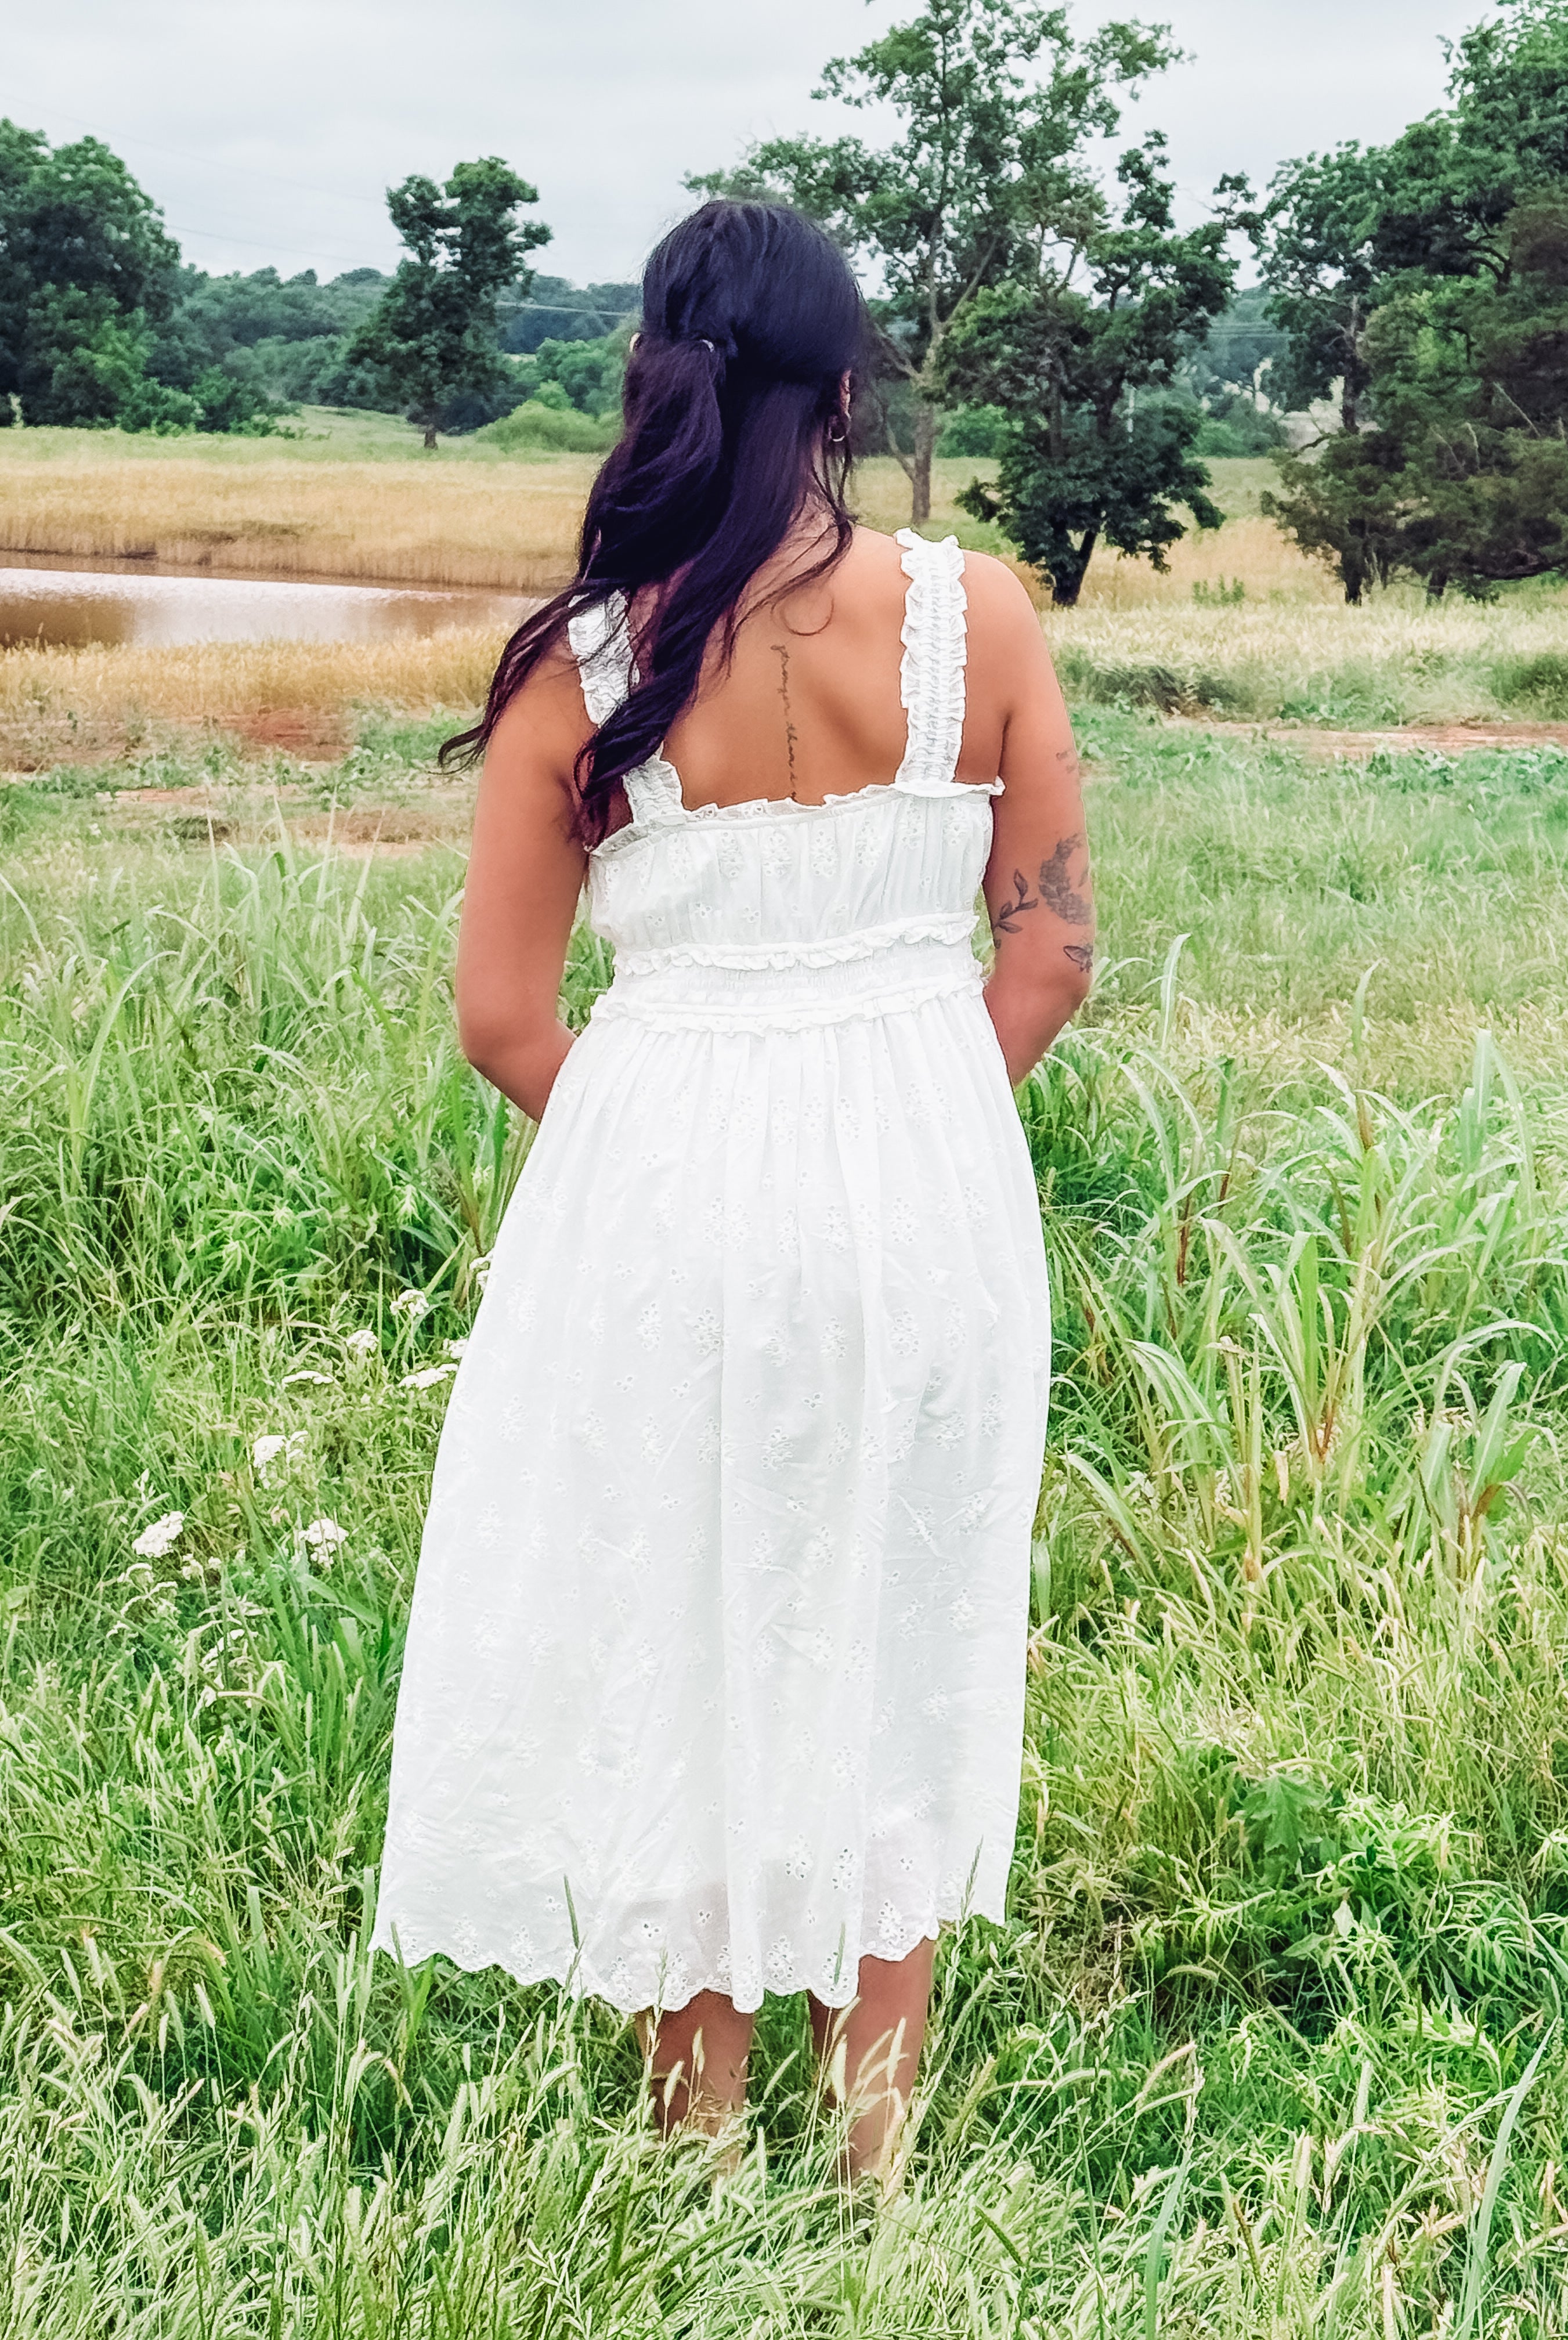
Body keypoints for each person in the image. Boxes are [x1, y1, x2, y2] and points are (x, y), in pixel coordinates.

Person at [371, 198, 1094, 2180]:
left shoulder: (584, 660)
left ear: (654, 380)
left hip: (669, 1214)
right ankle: (874, 2154)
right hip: (931, 1206)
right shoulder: (983, 614)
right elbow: (1048, 955)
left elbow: (503, 1018)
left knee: (681, 1633)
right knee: (901, 1624)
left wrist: (680, 1152)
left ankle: (696, 2152)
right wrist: (904, 1122)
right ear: (846, 389)